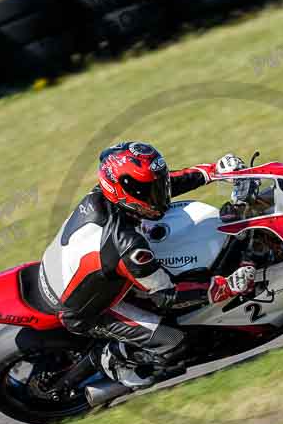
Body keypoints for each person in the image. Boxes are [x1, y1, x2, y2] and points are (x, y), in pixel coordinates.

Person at [38, 142, 256, 389]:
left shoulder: (108, 193)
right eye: (148, 190)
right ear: (126, 191)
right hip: (86, 310)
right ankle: (110, 358)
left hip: (66, 270)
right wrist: (224, 287)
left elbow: (164, 185)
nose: (159, 194)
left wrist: (213, 171)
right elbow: (167, 296)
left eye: (157, 185)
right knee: (175, 342)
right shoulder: (128, 245)